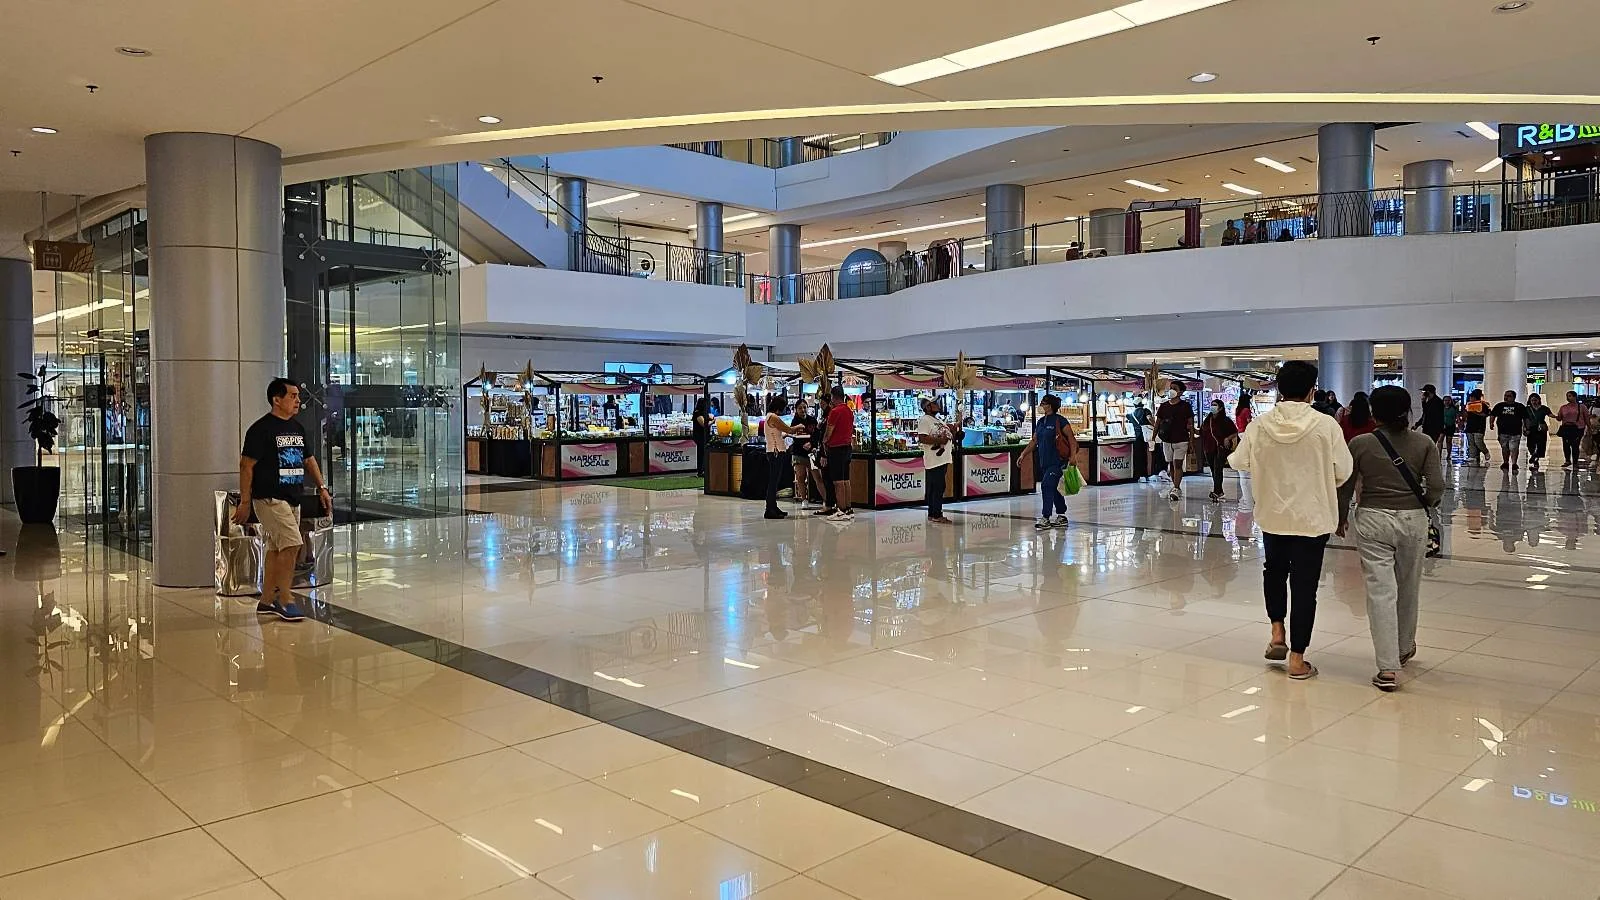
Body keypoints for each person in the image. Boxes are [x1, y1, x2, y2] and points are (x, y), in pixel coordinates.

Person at [1230, 360, 1352, 681]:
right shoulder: (1326, 425)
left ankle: (1276, 632)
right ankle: (1297, 660)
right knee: (1304, 585)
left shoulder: (1259, 425)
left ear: (1279, 389)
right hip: (1312, 518)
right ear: (1312, 390)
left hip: (1273, 514)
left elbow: (1239, 461)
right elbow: (1343, 471)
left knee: (1274, 571)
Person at [1337, 385, 1443, 692]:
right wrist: (1426, 503)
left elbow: (1345, 485)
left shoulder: (1360, 443)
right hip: (1412, 520)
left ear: (1373, 413)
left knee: (1380, 591)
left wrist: (1341, 516)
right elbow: (1437, 486)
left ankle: (1387, 668)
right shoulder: (1424, 443)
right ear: (1409, 411)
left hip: (1372, 519)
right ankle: (1403, 646)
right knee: (1408, 585)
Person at [233, 379, 331, 623]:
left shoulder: (297, 428)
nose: (298, 400)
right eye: (292, 396)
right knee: (292, 545)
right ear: (277, 399)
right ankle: (285, 598)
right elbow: (246, 465)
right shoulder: (261, 429)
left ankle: (266, 600)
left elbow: (309, 459)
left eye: (298, 396)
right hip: (269, 498)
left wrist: (322, 487)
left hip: (292, 498)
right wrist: (245, 501)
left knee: (277, 548)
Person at [1019, 394, 1079, 529]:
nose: (1041, 405)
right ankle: (1062, 515)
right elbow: (1034, 441)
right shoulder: (1041, 422)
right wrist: (1023, 454)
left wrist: (1073, 456)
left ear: (1050, 406)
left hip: (1058, 461)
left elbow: (1071, 439)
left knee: (1046, 485)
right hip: (1044, 462)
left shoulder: (1060, 421)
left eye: (1043, 403)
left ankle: (1045, 517)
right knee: (1054, 487)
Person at [761, 395, 807, 519]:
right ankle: (770, 509)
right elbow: (789, 429)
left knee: (774, 480)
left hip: (773, 450)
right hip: (776, 451)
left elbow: (782, 431)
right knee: (773, 481)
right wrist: (798, 426)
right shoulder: (774, 417)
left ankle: (773, 506)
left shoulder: (769, 417)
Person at [1154, 380, 1196, 502]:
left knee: (1178, 464)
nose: (1171, 390)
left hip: (1181, 439)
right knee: (1171, 463)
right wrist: (1153, 436)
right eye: (1170, 387)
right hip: (1167, 440)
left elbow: (1191, 424)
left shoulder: (1185, 406)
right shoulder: (1164, 406)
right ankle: (1175, 486)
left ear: (1180, 392)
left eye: (1174, 388)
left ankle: (1176, 487)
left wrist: (1191, 441)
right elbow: (1158, 422)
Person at [819, 385, 856, 521]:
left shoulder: (835, 412)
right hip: (847, 448)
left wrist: (824, 442)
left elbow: (829, 432)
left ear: (833, 397)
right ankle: (848, 509)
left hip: (836, 449)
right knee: (846, 480)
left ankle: (841, 510)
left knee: (838, 482)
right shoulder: (849, 410)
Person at [917, 398, 955, 524]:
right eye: (934, 404)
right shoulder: (924, 420)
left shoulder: (937, 420)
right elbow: (922, 438)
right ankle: (936, 514)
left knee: (937, 487)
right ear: (928, 407)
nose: (937, 405)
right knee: (937, 487)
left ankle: (933, 513)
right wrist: (940, 441)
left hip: (942, 459)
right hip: (934, 460)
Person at [1199, 399, 1239, 502]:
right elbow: (1202, 431)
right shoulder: (1208, 420)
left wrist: (1227, 438)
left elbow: (1235, 432)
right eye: (1212, 405)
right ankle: (1219, 491)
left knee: (1218, 469)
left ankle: (1216, 491)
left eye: (1215, 405)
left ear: (1220, 408)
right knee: (1213, 470)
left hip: (1220, 448)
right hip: (1208, 448)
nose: (1213, 406)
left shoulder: (1225, 420)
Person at [789, 397, 819, 507]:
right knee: (801, 477)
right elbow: (794, 437)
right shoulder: (794, 422)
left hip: (812, 453)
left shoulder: (812, 420)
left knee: (817, 477)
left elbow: (817, 435)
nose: (803, 410)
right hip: (798, 453)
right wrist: (802, 445)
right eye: (800, 408)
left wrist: (812, 444)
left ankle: (826, 500)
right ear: (796, 409)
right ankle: (804, 500)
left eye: (804, 407)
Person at [1490, 389, 1529, 470]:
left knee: (1514, 447)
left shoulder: (1519, 406)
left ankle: (1514, 463)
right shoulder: (1499, 406)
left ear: (1514, 397)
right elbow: (1493, 415)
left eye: (1508, 396)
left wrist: (1527, 427)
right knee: (1504, 448)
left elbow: (1526, 418)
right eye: (1505, 395)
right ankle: (1505, 462)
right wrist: (1491, 423)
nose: (1506, 397)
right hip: (1502, 431)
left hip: (1516, 431)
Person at [1557, 390, 1590, 468]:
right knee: (1566, 445)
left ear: (1575, 397)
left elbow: (1586, 418)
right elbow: (1559, 418)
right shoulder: (1563, 407)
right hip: (1566, 428)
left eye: (1570, 396)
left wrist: (1589, 427)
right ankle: (1567, 460)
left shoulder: (1582, 407)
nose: (1568, 398)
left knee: (1575, 445)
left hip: (1578, 428)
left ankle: (1575, 461)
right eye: (1567, 396)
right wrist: (1557, 416)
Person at [1525, 392, 1556, 471]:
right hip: (1531, 428)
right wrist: (1525, 428)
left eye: (1535, 400)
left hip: (1541, 428)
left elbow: (1550, 415)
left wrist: (1558, 417)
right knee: (1530, 444)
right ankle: (1534, 455)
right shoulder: (1527, 409)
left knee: (1540, 444)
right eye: (1532, 400)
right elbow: (1525, 419)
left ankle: (1536, 460)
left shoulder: (1544, 408)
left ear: (1539, 400)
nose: (1534, 402)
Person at [1128, 399, 1155, 481]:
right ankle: (1146, 474)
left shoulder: (1131, 414)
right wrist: (1155, 425)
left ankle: (1140, 476)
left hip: (1137, 437)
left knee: (1138, 456)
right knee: (1146, 456)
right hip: (1146, 436)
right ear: (1142, 404)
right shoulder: (1146, 411)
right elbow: (1150, 418)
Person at [1462, 389, 1490, 465]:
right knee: (1471, 443)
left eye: (1471, 397)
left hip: (1479, 427)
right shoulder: (1468, 405)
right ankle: (1473, 456)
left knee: (1478, 442)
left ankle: (1485, 452)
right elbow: (1466, 416)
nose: (1470, 399)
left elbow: (1486, 414)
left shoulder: (1483, 405)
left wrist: (1475, 412)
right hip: (1470, 426)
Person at [692, 398, 712, 478]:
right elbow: (703, 424)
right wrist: (712, 422)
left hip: (704, 436)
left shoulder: (704, 413)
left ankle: (704, 469)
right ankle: (700, 471)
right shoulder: (698, 413)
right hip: (700, 436)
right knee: (701, 453)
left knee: (704, 452)